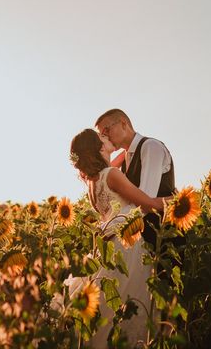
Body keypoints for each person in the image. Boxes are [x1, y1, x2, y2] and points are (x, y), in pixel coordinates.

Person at [67, 128, 168, 347]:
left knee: (109, 310)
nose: (107, 137)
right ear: (99, 147)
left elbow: (123, 155)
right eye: (102, 137)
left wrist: (127, 146)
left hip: (108, 248)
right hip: (127, 247)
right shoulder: (112, 175)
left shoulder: (93, 182)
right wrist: (173, 201)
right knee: (130, 306)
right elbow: (146, 203)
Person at [94, 108, 176, 249]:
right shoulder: (126, 159)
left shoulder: (150, 146)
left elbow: (145, 201)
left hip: (165, 241)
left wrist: (110, 227)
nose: (105, 137)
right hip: (145, 242)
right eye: (102, 135)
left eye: (106, 130)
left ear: (123, 124)